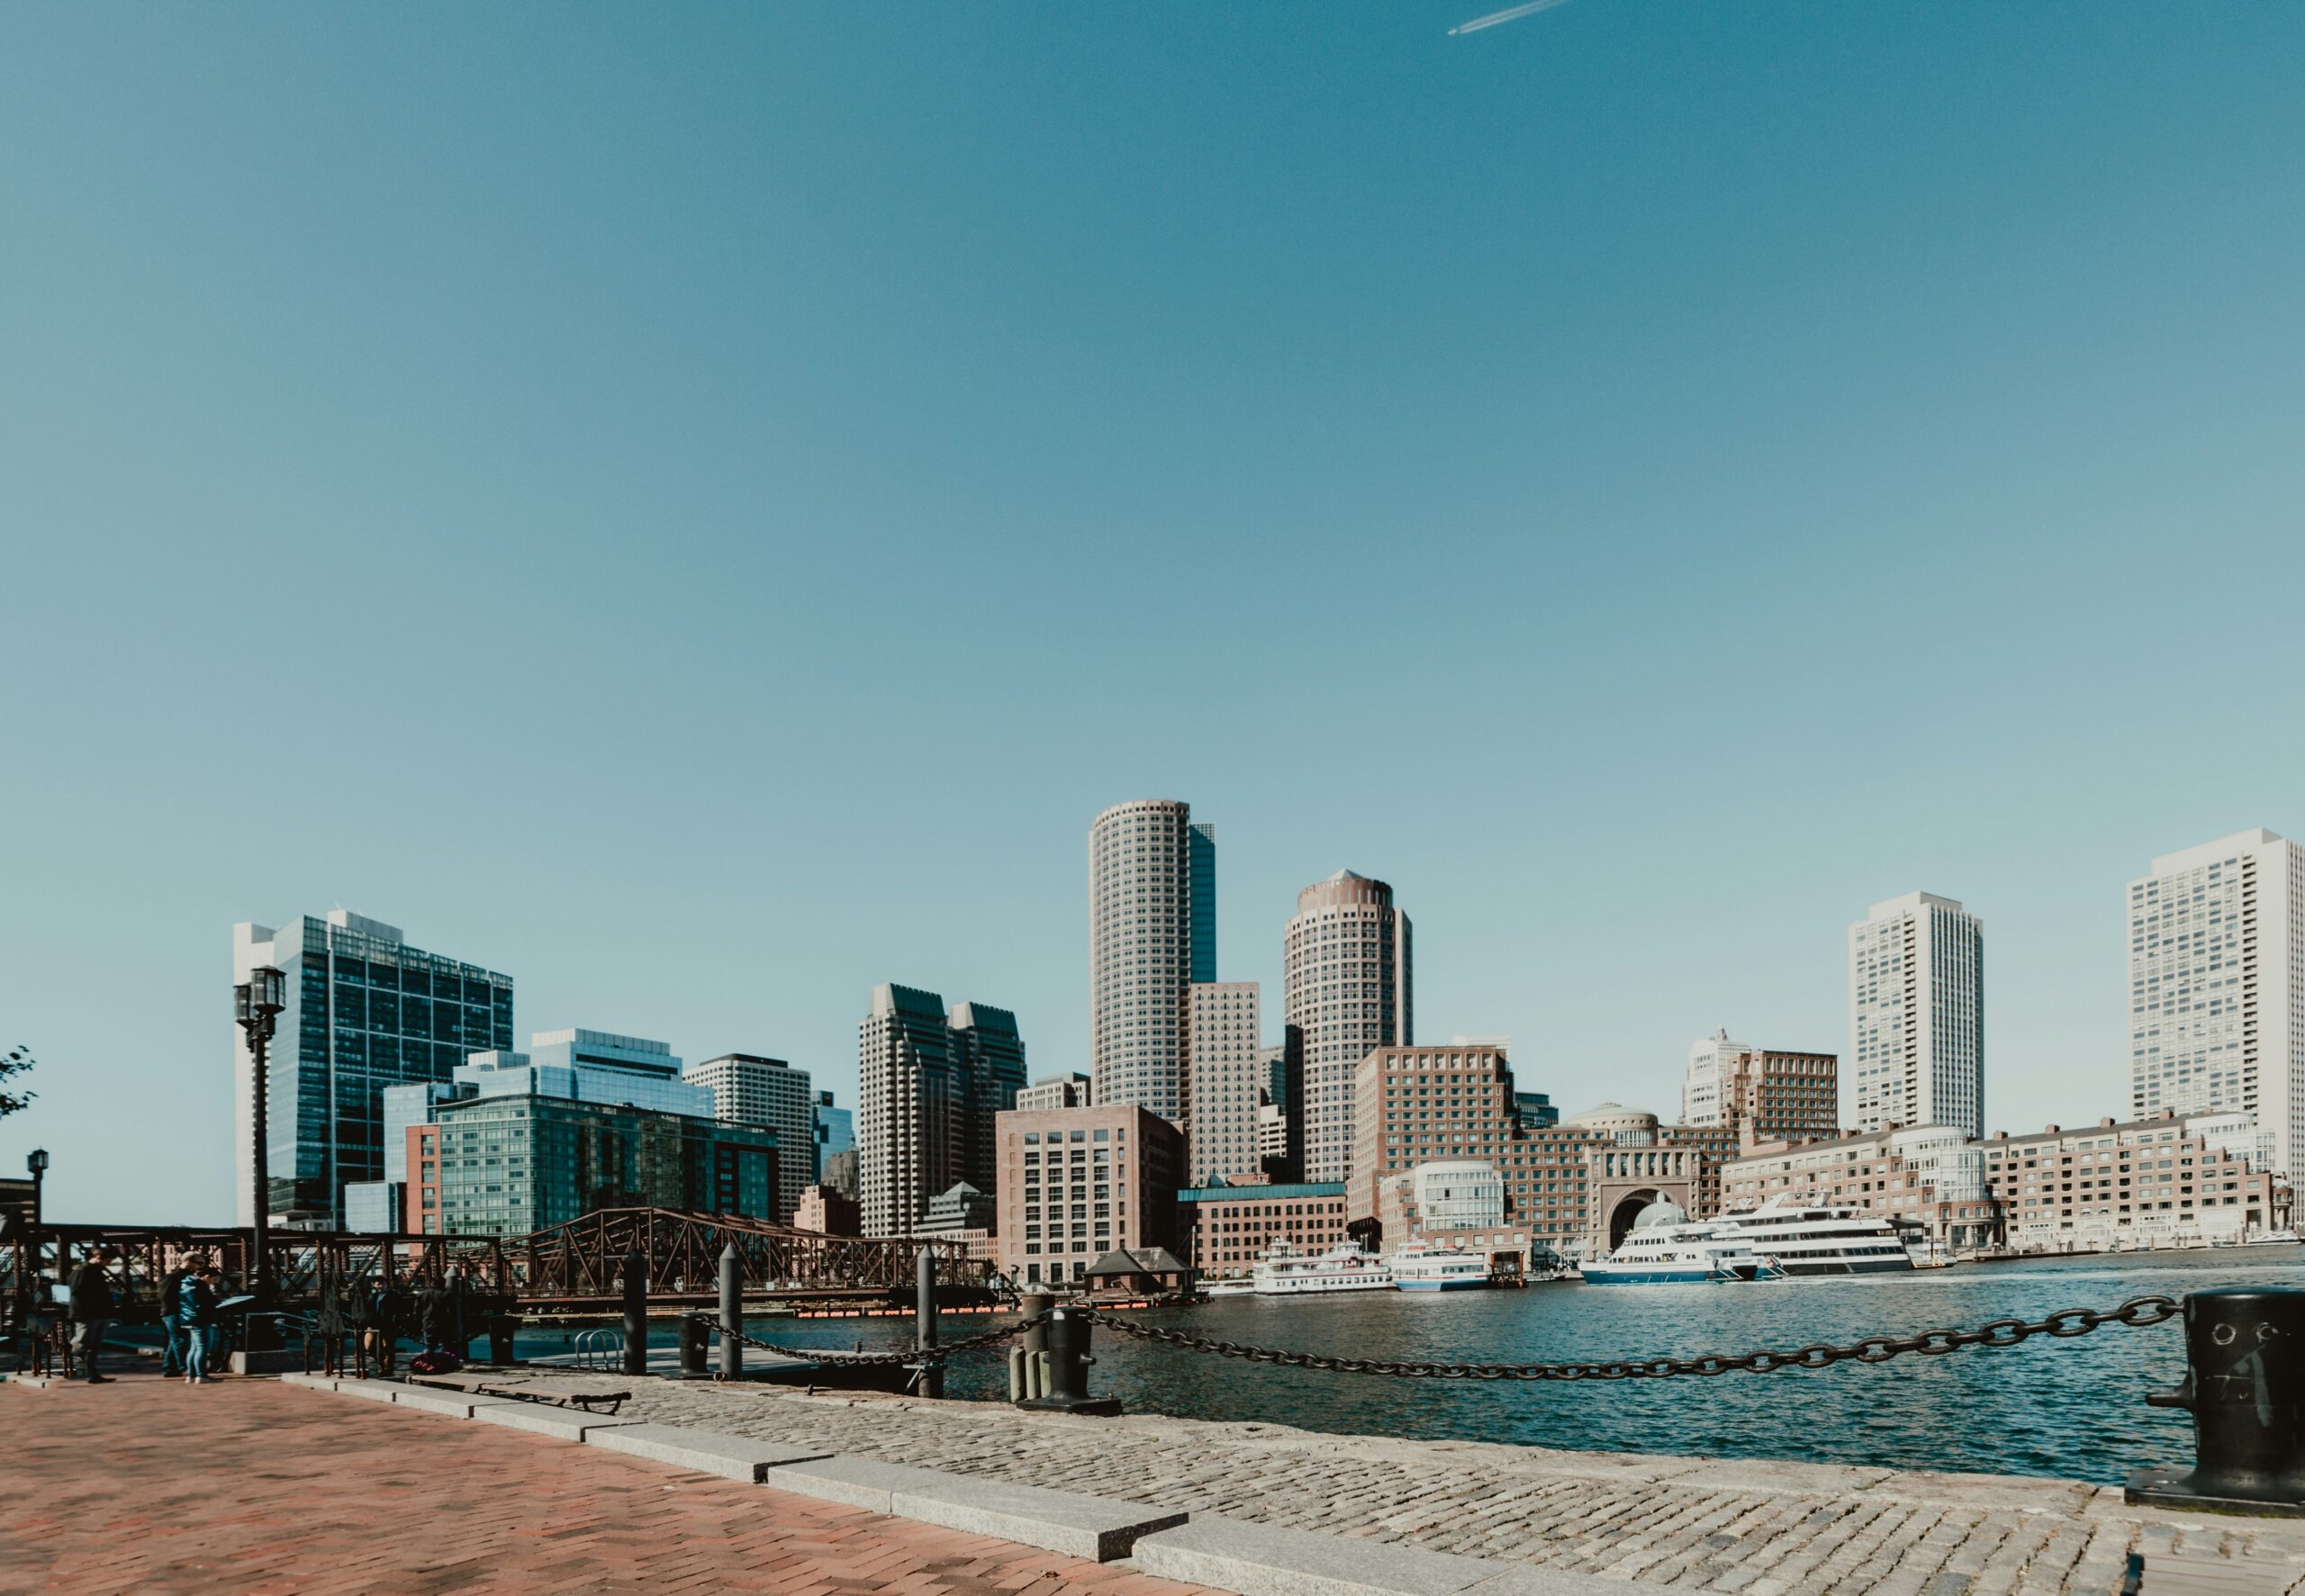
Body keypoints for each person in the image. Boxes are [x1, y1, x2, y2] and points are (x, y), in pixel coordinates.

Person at [67, 1245, 120, 1383]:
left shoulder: (93, 1270)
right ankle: (69, 1350)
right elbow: (75, 1291)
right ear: (98, 1257)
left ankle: (92, 1373)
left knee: (93, 1346)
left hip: (99, 1313)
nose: (108, 1264)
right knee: (84, 1344)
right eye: (107, 1261)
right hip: (88, 1314)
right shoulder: (83, 1271)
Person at [180, 1266, 220, 1384]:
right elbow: (203, 1303)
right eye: (214, 1279)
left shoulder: (187, 1283)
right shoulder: (200, 1286)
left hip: (190, 1319)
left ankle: (191, 1376)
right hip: (201, 1320)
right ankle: (201, 1375)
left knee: (193, 1348)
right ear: (207, 1277)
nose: (214, 1282)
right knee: (203, 1348)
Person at [158, 1259, 191, 1377]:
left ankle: (169, 1368)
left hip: (175, 1312)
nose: (200, 1266)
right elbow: (165, 1296)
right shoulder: (172, 1277)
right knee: (180, 1340)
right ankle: (184, 1368)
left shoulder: (183, 1276)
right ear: (187, 1262)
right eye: (199, 1263)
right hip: (172, 1313)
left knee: (174, 1340)